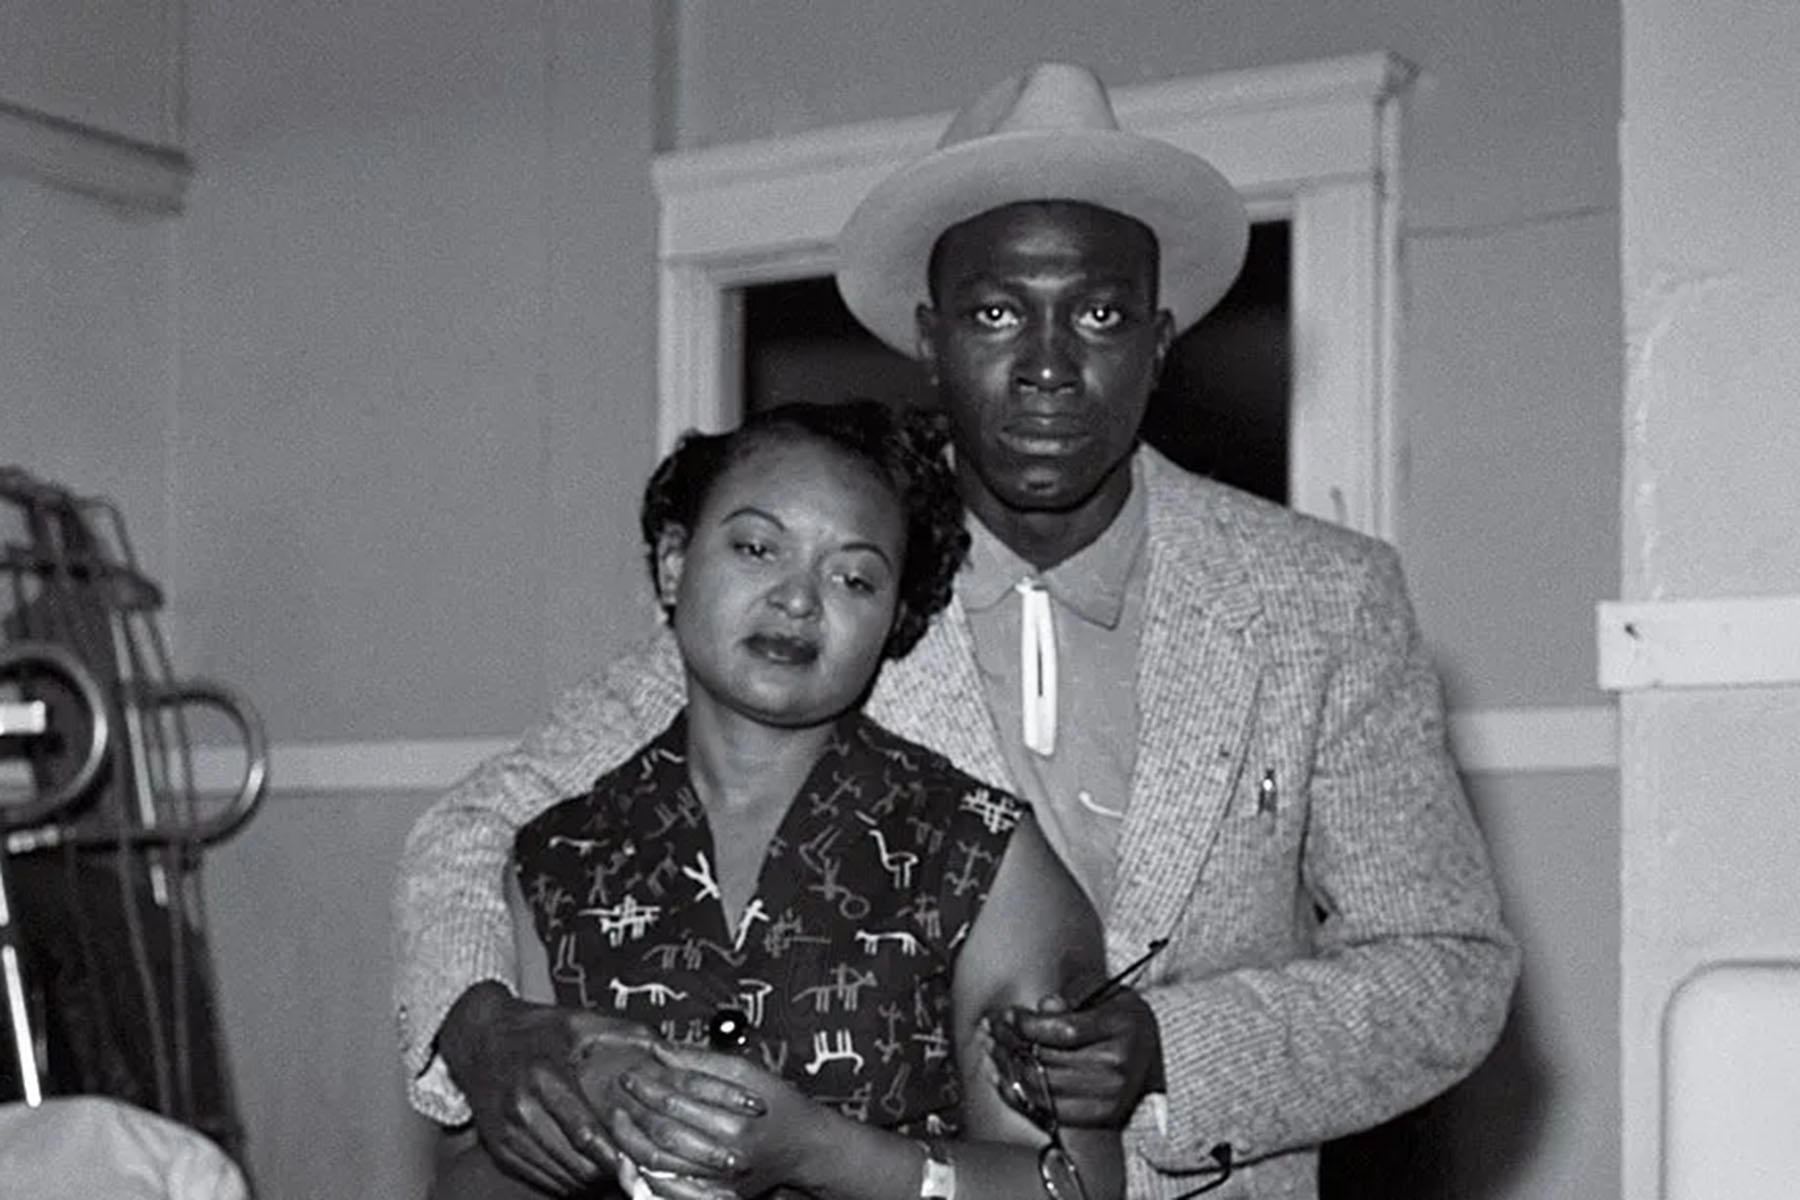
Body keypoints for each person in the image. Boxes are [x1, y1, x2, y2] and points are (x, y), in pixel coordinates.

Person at [394, 62, 1520, 1199]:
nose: (1045, 365)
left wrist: (1175, 1049)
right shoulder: (831, 574)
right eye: (994, 313)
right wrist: (481, 1026)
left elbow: (1446, 966)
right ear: (929, 341)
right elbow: (484, 823)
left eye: (1097, 313)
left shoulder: (1322, 600)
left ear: (1160, 339)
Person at [431, 400, 1119, 1200]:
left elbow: (1074, 1188)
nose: (798, 599)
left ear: (895, 620)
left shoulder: (979, 854)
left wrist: (821, 1153)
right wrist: (589, 1113)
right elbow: (463, 1180)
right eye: (757, 547)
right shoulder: (556, 861)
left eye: (853, 577)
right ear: (672, 564)